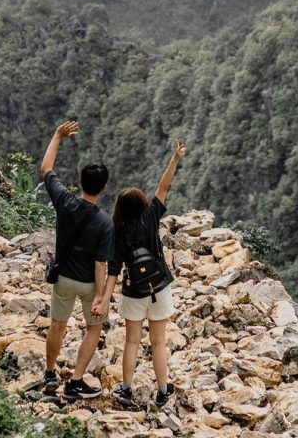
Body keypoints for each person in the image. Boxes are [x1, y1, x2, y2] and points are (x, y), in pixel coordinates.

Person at [93, 139, 187, 409]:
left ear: (120, 209)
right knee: (158, 342)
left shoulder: (116, 232)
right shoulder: (150, 218)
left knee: (132, 341)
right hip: (158, 288)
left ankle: (125, 389)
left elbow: (113, 270)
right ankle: (162, 390)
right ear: (143, 204)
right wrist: (175, 158)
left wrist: (104, 299)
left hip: (133, 291)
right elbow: (164, 186)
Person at [39, 120, 115, 402]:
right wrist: (100, 295)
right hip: (87, 283)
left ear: (80, 182)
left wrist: (57, 135)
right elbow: (100, 264)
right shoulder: (105, 222)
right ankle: (76, 381)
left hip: (63, 279)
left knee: (57, 325)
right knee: (93, 328)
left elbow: (46, 169)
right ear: (104, 187)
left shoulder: (65, 201)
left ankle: (49, 374)